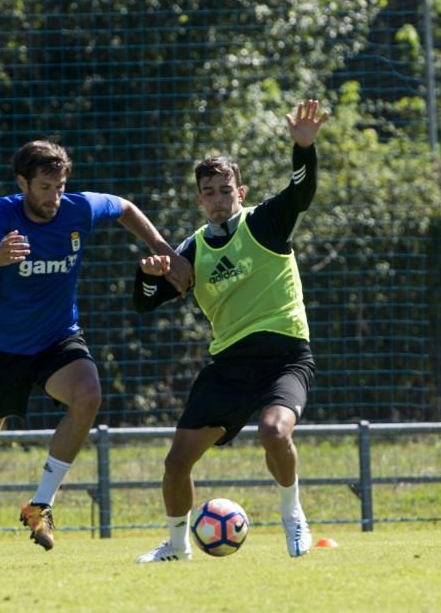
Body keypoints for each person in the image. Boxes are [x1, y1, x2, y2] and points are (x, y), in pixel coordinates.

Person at [0, 139, 191, 573]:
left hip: (57, 339)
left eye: (60, 185)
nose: (54, 197)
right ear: (23, 182)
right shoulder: (3, 212)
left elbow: (124, 207)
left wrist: (166, 249)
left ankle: (40, 503)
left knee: (87, 395)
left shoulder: (78, 208)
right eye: (45, 186)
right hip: (3, 350)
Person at [132, 99, 329, 563]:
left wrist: (304, 149)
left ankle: (292, 516)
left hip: (285, 357)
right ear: (199, 199)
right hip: (229, 368)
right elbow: (144, 303)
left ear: (241, 191)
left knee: (274, 432)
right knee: (176, 464)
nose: (219, 199)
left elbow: (302, 192)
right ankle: (178, 547)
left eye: (226, 190)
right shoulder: (191, 251)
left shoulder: (265, 223)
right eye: (210, 192)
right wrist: (148, 272)